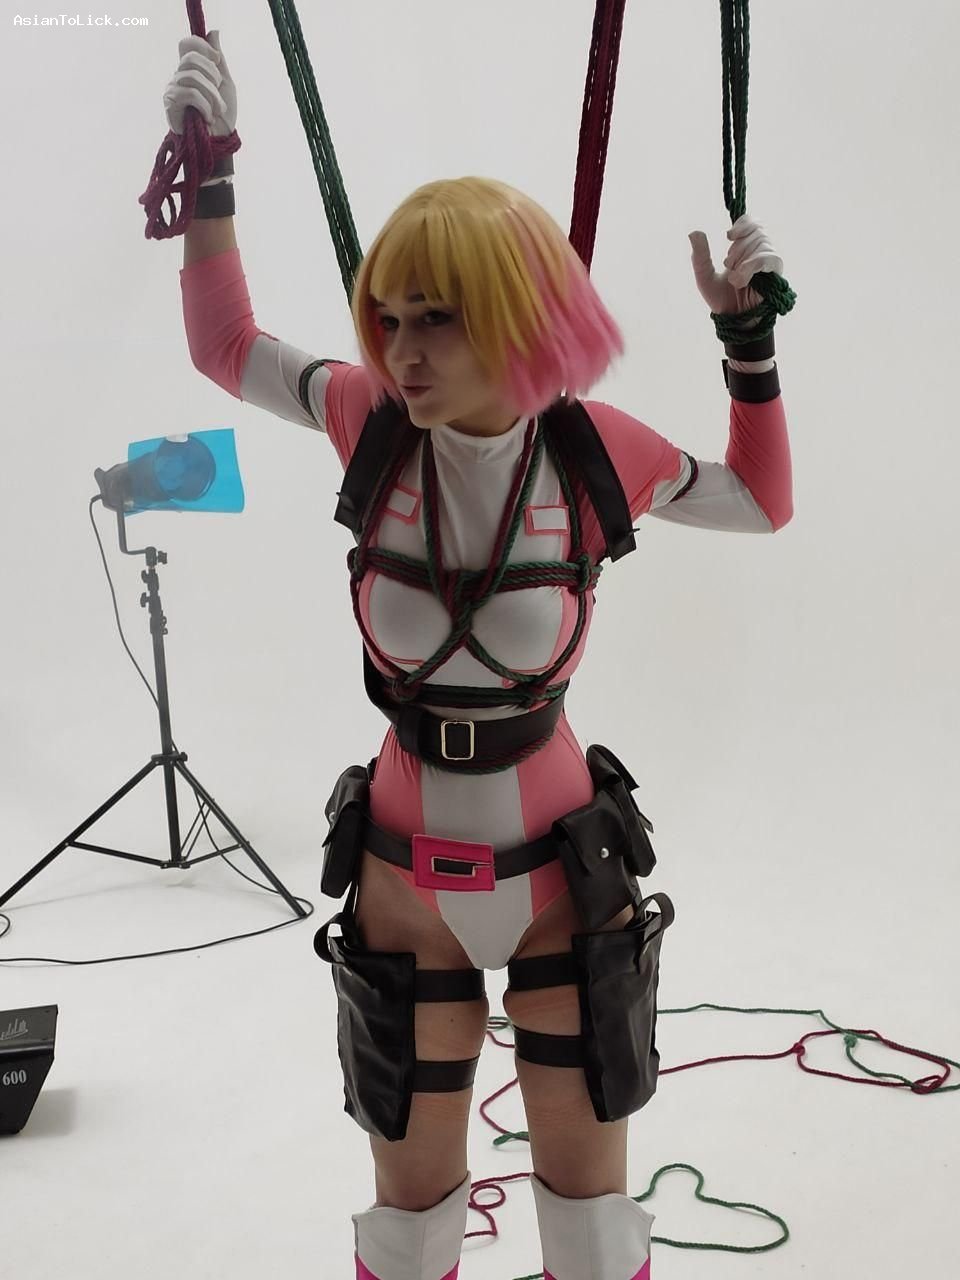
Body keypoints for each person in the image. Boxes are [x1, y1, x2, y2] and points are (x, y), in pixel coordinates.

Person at [166, 29, 793, 1280]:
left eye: (439, 320)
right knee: (407, 1226)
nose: (402, 350)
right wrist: (210, 167)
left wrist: (748, 347)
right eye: (390, 317)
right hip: (405, 878)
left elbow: (760, 501)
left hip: (561, 873)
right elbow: (225, 345)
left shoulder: (594, 449)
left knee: (591, 1220)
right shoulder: (365, 417)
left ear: (516, 319)